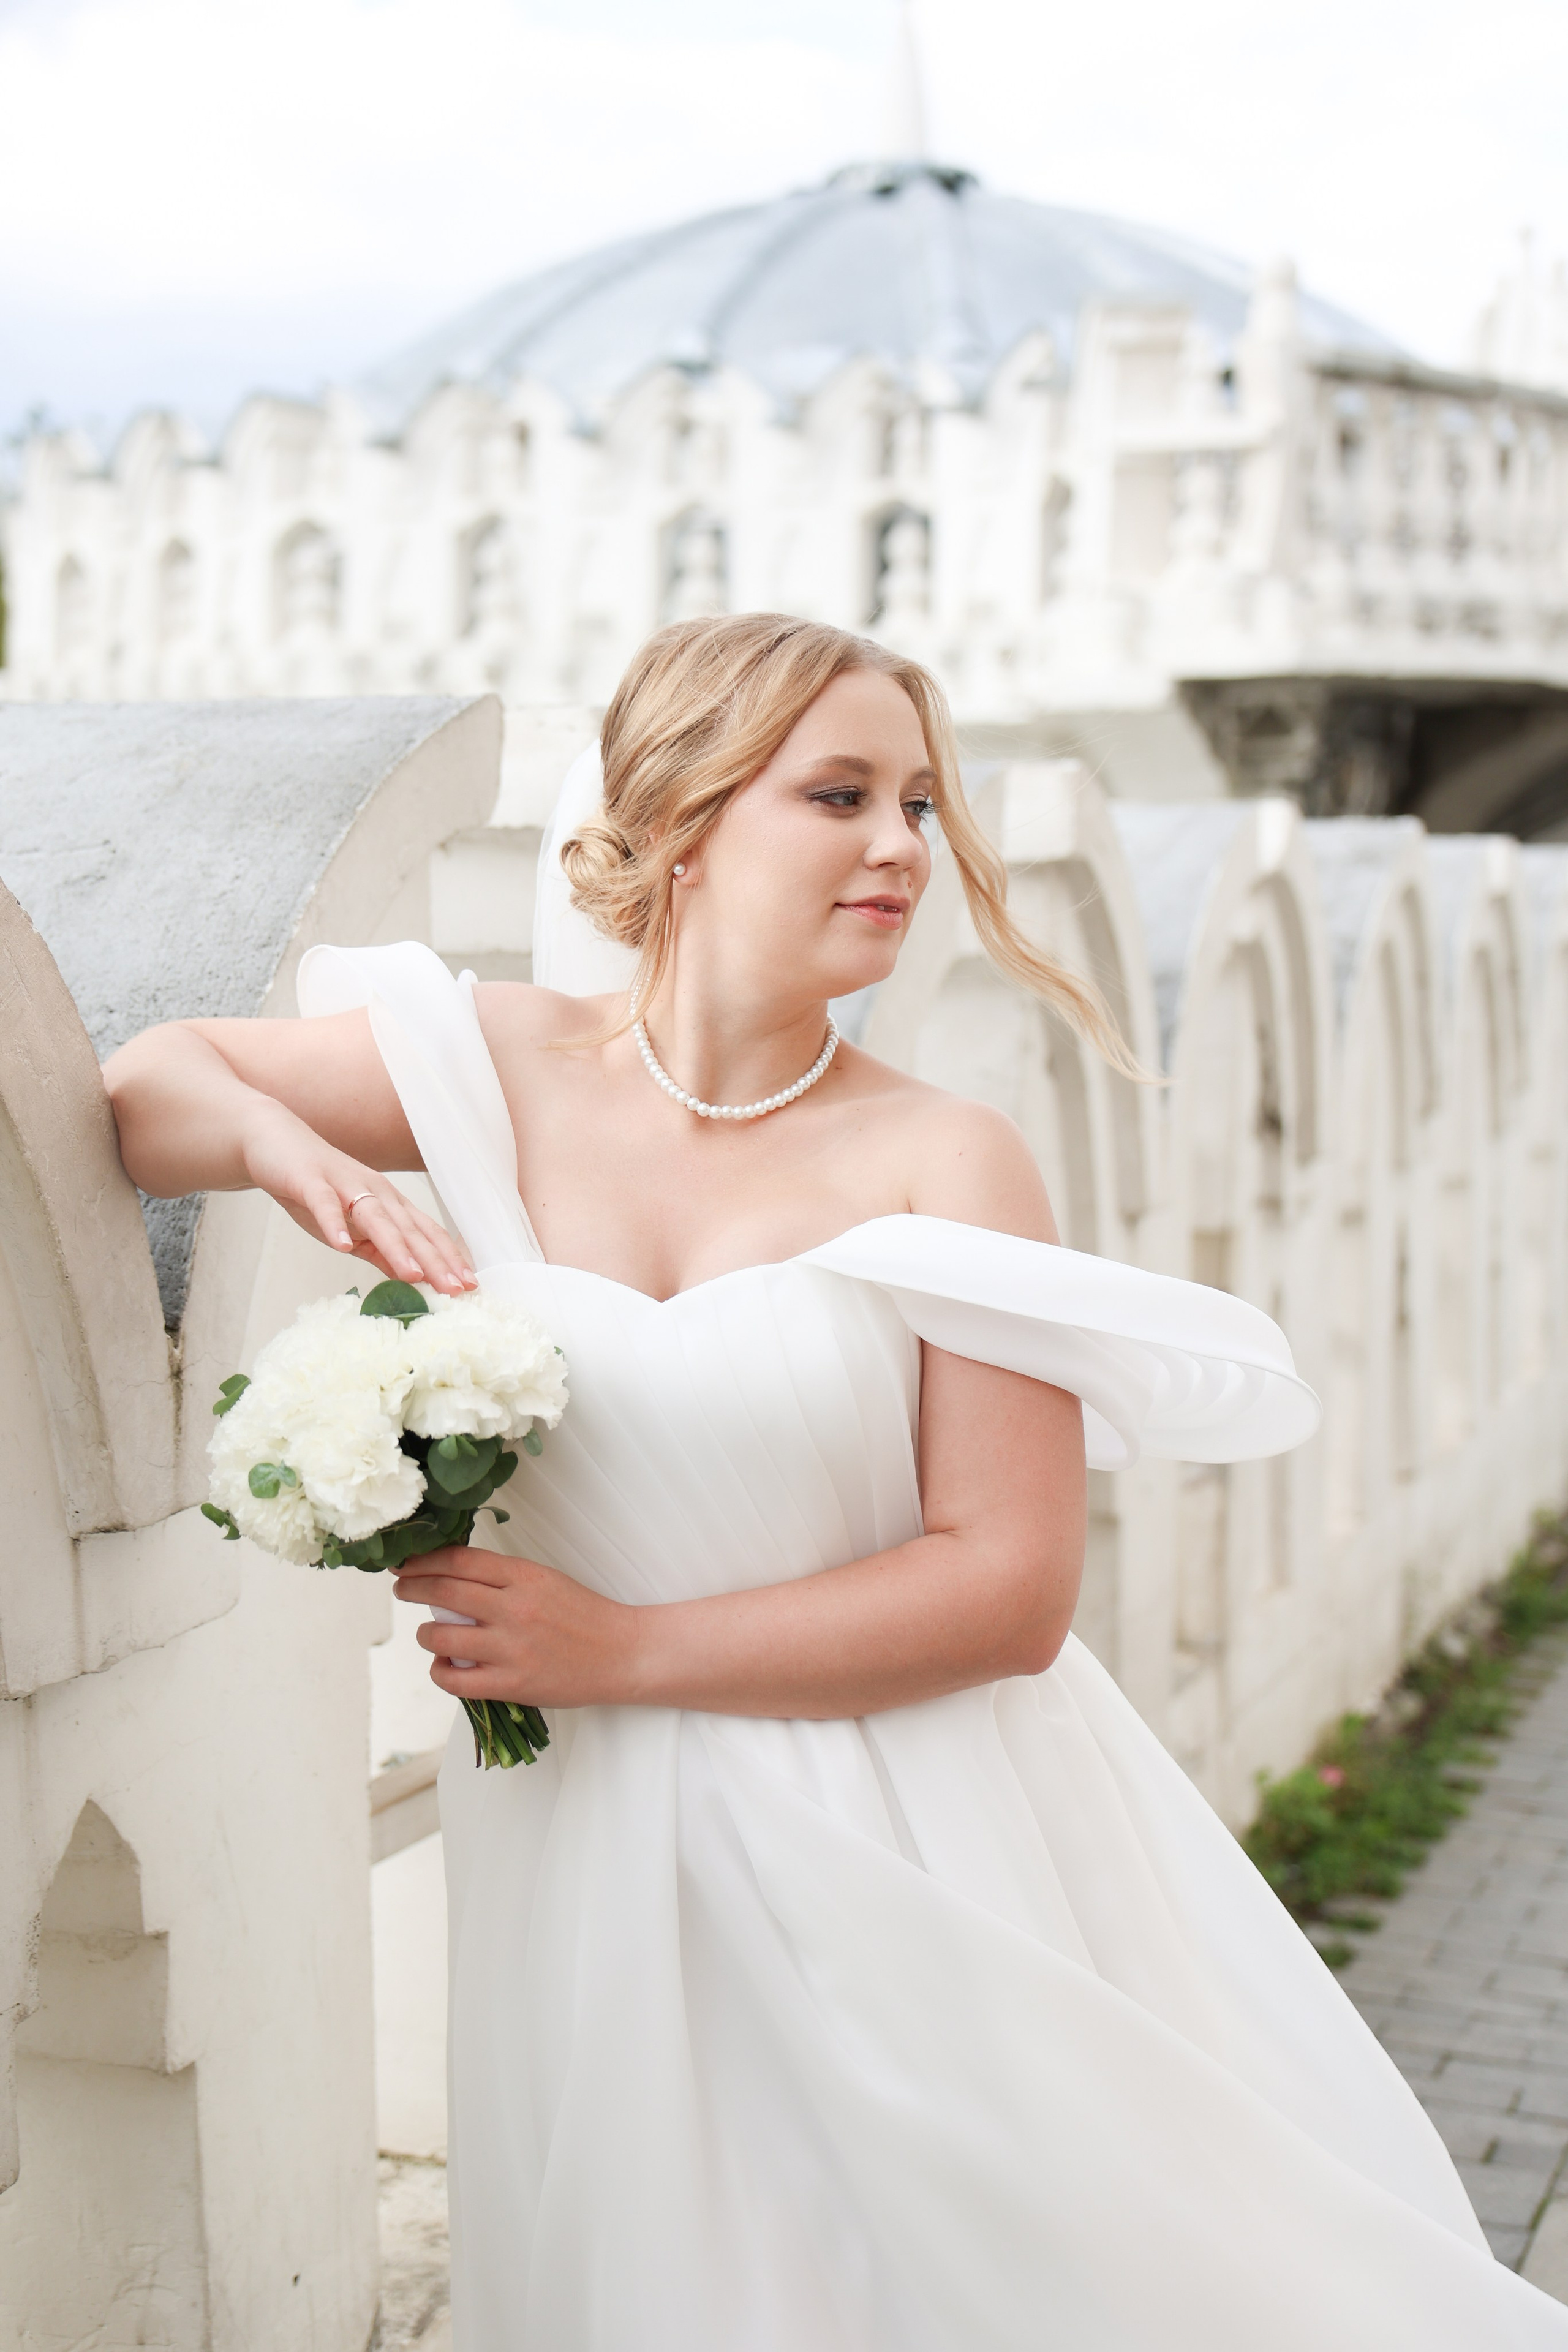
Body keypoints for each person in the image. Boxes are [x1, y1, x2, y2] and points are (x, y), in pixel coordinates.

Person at [105, 616, 1568, 2349]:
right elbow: (144, 1086)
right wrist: (296, 1153)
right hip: (580, 1829)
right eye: (843, 795)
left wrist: (620, 1650)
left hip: (905, 1832)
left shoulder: (950, 1156)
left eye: (921, 805)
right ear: (683, 821)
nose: (901, 849)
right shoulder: (491, 1066)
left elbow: (1011, 1589)